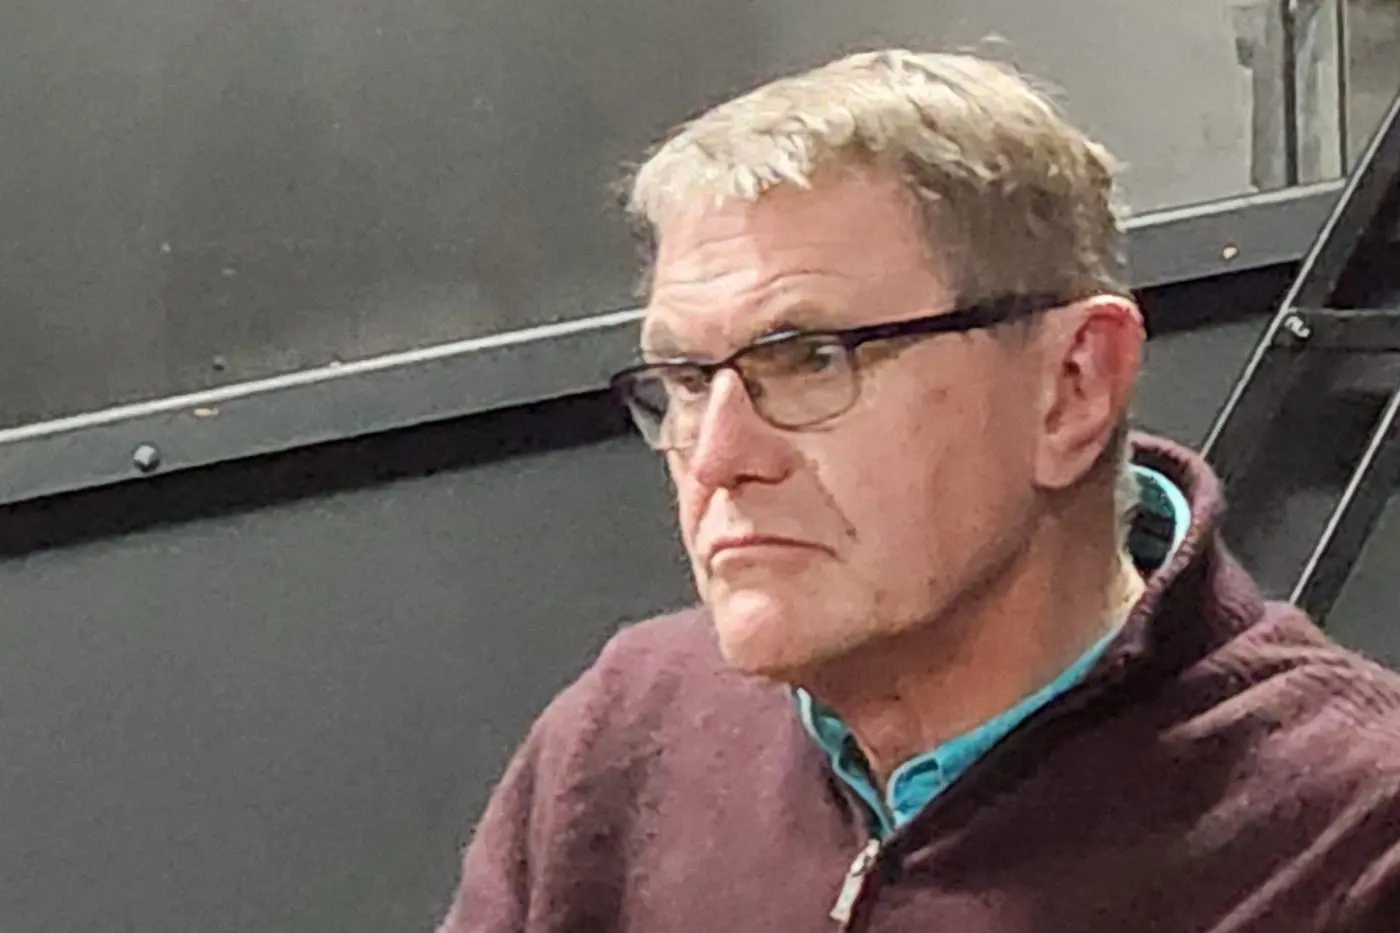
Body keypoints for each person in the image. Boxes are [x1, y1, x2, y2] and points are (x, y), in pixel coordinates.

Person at [439, 49, 1400, 932]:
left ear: (1073, 387)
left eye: (812, 359)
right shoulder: (624, 741)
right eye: (688, 380)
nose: (721, 453)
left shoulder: (1350, 836)